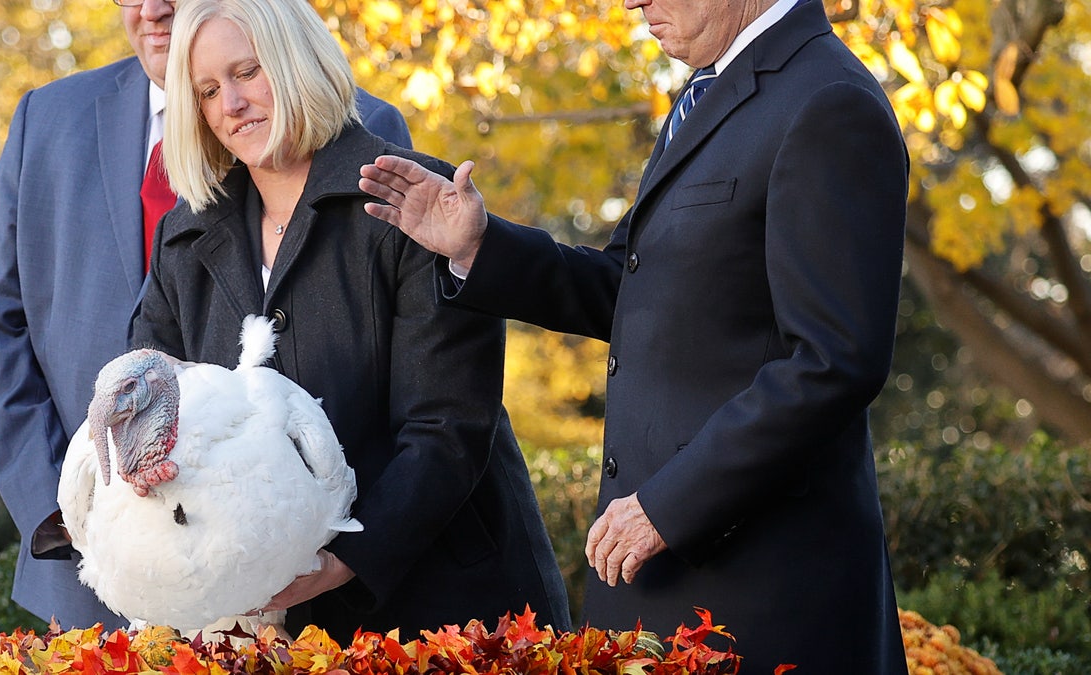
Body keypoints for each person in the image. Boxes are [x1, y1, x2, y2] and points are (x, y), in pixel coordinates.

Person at [357, 0, 910, 671]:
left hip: (761, 602)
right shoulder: (712, 90)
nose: (631, 2)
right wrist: (478, 245)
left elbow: (834, 361)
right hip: (657, 591)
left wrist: (668, 506)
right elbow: (630, 288)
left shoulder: (828, 101)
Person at [128, 0, 571, 639]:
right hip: (254, 621)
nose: (231, 104)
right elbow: (148, 390)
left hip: (441, 613)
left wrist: (343, 559)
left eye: (248, 72)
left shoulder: (414, 198)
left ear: (295, 62)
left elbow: (448, 424)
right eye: (206, 90)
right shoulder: (184, 236)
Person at [0, 0, 412, 631]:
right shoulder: (47, 119)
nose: (152, 9)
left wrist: (330, 547)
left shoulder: (364, 124)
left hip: (307, 580)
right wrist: (77, 519)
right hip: (92, 568)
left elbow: (417, 389)